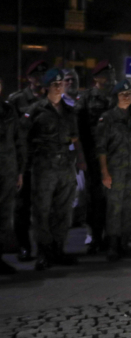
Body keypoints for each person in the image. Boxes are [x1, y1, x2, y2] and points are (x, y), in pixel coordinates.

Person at [22, 69, 86, 270]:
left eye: (61, 83)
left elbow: (75, 139)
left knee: (63, 210)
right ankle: (44, 252)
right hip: (43, 167)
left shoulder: (68, 111)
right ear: (47, 87)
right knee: (42, 211)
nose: (59, 87)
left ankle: (58, 249)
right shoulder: (35, 110)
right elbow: (24, 140)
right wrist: (24, 166)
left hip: (65, 166)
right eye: (55, 84)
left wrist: (80, 161)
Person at [96, 79, 131, 261]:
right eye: (122, 94)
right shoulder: (108, 118)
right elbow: (101, 148)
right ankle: (113, 245)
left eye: (129, 94)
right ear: (116, 97)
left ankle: (125, 243)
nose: (126, 97)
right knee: (114, 209)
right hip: (115, 170)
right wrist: (105, 173)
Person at [9, 60, 48, 262]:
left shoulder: (53, 99)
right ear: (30, 78)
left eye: (44, 75)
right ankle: (23, 246)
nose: (41, 79)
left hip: (46, 160)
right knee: (22, 207)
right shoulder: (16, 100)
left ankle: (45, 247)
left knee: (44, 206)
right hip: (25, 160)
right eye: (37, 75)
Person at [77, 60, 117, 254]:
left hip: (116, 155)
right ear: (96, 78)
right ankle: (95, 237)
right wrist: (82, 156)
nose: (110, 78)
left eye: (112, 74)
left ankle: (113, 238)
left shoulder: (119, 96)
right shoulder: (86, 98)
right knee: (95, 199)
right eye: (105, 75)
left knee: (114, 199)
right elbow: (80, 128)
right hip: (94, 156)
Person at [0, 77, 25, 275]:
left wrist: (19, 171)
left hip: (7, 169)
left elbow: (19, 141)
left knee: (4, 216)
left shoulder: (8, 110)